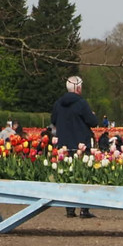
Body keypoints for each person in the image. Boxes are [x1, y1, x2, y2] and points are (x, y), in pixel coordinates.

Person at [51, 75, 98, 218]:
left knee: (67, 175)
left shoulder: (58, 104)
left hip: (64, 145)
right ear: (78, 88)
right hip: (80, 145)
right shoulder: (81, 103)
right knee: (84, 176)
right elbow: (93, 122)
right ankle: (84, 209)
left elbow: (53, 120)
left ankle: (69, 209)